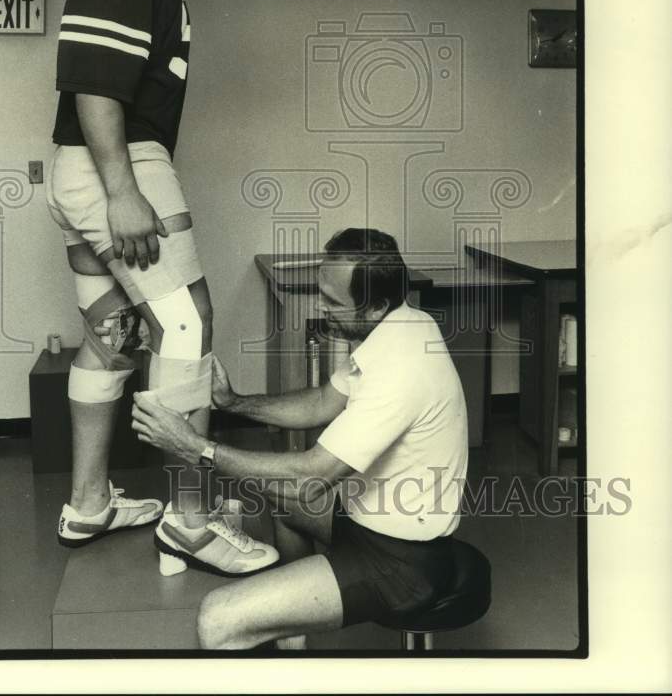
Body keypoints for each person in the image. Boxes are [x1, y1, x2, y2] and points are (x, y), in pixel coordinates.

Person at [45, 0, 279, 575]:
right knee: (185, 325)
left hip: (80, 167)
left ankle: (89, 505)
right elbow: (94, 78)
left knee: (112, 338)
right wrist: (123, 190)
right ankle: (191, 521)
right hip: (116, 164)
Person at [131, 228, 469, 648]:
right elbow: (322, 402)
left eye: (334, 302)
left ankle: (291, 621)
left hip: (402, 561)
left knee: (216, 621)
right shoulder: (400, 324)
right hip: (365, 519)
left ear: (377, 305)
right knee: (277, 495)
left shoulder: (403, 368)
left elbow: (311, 477)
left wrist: (195, 447)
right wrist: (233, 402)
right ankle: (295, 635)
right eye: (321, 294)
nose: (321, 308)